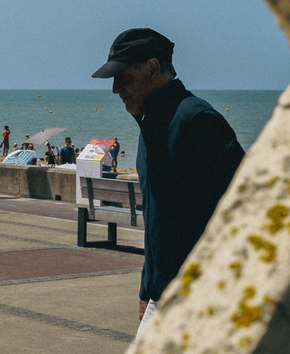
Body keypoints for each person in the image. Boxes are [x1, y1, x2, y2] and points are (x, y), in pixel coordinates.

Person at [93, 28, 244, 335]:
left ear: (152, 68)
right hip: (163, 296)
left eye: (122, 76)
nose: (115, 88)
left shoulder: (197, 121)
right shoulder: (151, 125)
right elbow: (159, 223)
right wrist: (147, 289)